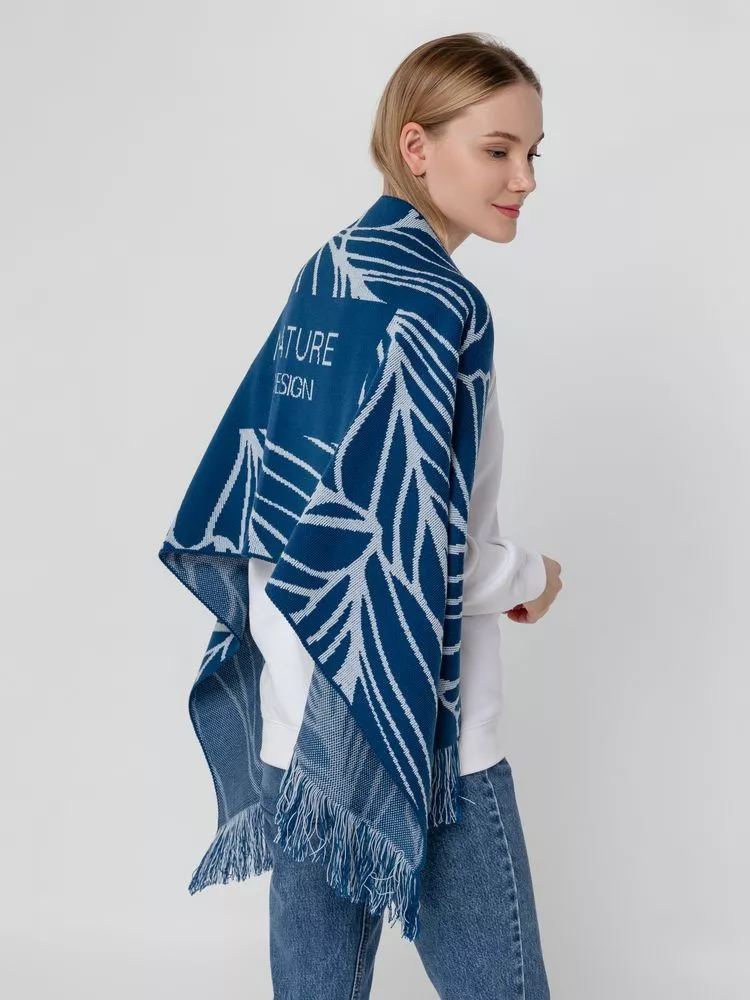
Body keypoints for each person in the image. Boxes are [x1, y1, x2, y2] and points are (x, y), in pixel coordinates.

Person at [254, 31, 563, 1000]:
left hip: (304, 708)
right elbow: (411, 551)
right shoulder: (441, 307)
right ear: (416, 145)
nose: (524, 179)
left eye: (533, 153)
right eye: (498, 149)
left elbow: (272, 493)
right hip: (420, 723)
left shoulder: (330, 272)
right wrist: (531, 575)